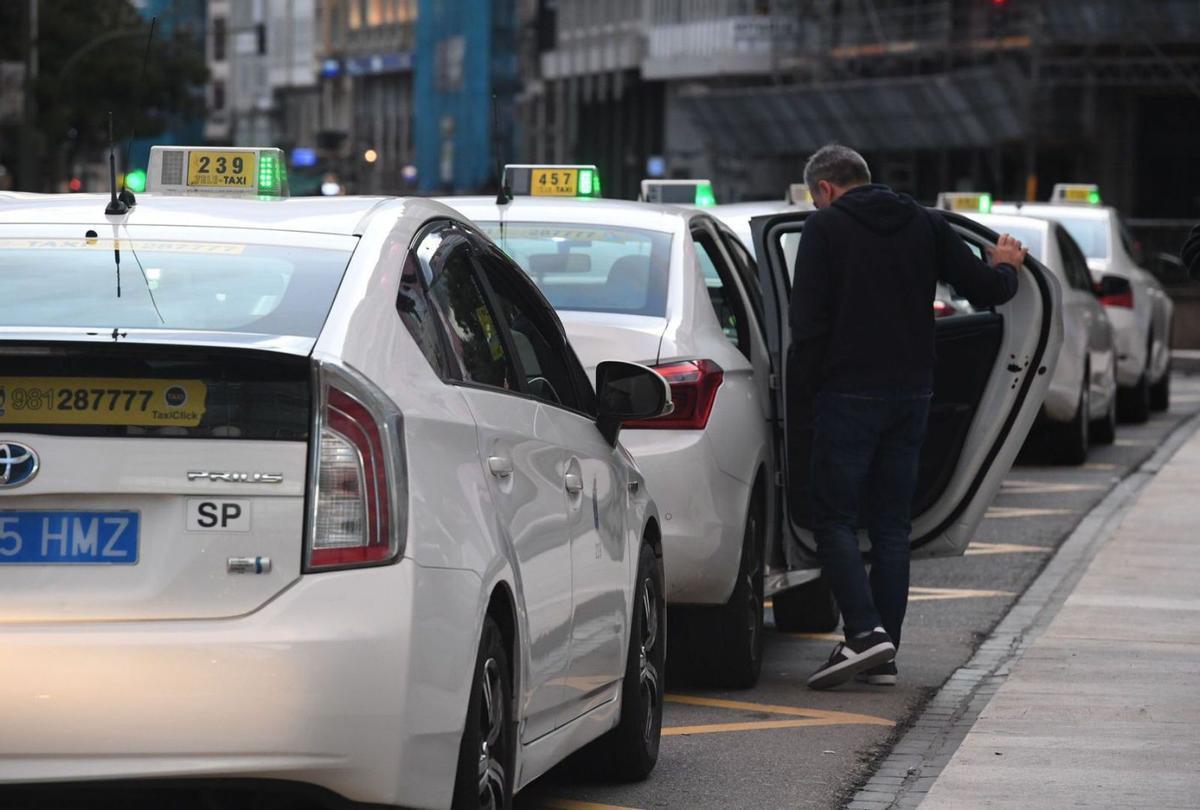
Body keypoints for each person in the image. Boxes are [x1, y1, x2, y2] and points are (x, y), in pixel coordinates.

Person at [790, 145, 1027, 690]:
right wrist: (1007, 268)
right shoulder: (925, 223)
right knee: (893, 526)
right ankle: (884, 652)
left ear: (824, 188)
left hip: (847, 394)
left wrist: (802, 398)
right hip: (913, 395)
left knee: (835, 520)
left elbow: (807, 327)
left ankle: (865, 633)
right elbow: (986, 291)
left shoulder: (824, 231)